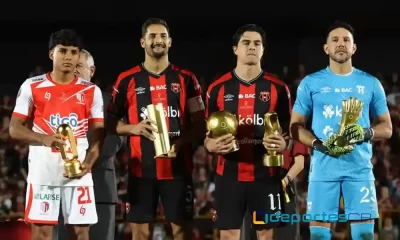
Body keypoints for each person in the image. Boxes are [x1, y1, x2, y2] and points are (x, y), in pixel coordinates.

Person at [290, 20, 392, 240]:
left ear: (354, 47)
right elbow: (295, 127)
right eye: (335, 40)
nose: (341, 44)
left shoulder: (371, 83)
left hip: (359, 171)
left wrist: (365, 133)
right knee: (318, 236)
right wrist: (319, 145)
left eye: (346, 39)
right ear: (326, 48)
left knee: (364, 235)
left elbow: (387, 127)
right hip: (322, 171)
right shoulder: (310, 83)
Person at [107, 18, 206, 240]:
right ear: (142, 42)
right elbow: (110, 122)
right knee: (140, 234)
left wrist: (180, 142)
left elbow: (201, 125)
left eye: (162, 36)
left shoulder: (186, 79)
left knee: (182, 233)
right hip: (141, 173)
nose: (158, 41)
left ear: (170, 42)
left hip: (178, 171)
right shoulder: (127, 79)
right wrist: (134, 128)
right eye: (152, 36)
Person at [9, 29, 104, 240]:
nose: (69, 57)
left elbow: (99, 135)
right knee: (42, 234)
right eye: (63, 51)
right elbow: (14, 129)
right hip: (43, 172)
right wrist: (44, 139)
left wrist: (89, 162)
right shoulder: (32, 86)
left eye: (73, 52)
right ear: (52, 53)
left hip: (78, 172)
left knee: (81, 233)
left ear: (79, 55)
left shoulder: (91, 91)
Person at [204, 24, 292, 240]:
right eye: (246, 42)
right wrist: (210, 145)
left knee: (265, 235)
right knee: (228, 236)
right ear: (235, 49)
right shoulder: (217, 88)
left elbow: (289, 132)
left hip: (266, 175)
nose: (252, 47)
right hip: (229, 174)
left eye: (257, 43)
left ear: (263, 49)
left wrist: (284, 144)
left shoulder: (279, 88)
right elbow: (208, 135)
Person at [53, 49, 122, 240]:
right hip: (62, 185)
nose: (74, 71)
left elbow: (114, 141)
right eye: (71, 66)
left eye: (79, 67)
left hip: (99, 188)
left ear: (91, 70)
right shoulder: (56, 100)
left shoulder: (109, 102)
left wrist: (80, 160)